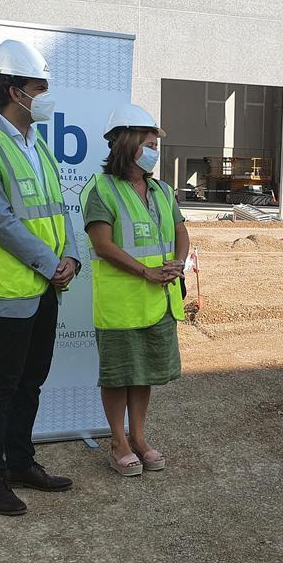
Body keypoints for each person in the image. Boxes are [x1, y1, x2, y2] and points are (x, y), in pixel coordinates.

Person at [0, 38, 80, 515]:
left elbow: (59, 208)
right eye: (38, 87)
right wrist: (52, 265)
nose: (45, 96)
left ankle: (21, 461)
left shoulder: (37, 145)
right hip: (9, 289)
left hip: (46, 285)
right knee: (1, 384)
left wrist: (70, 256)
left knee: (32, 380)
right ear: (13, 90)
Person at [80, 104, 188, 477]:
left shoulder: (161, 190)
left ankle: (139, 438)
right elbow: (102, 245)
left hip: (159, 302)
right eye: (150, 142)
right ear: (127, 144)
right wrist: (147, 272)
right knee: (119, 375)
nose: (155, 148)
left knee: (144, 375)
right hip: (122, 304)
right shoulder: (101, 190)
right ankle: (118, 442)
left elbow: (180, 231)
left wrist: (179, 262)